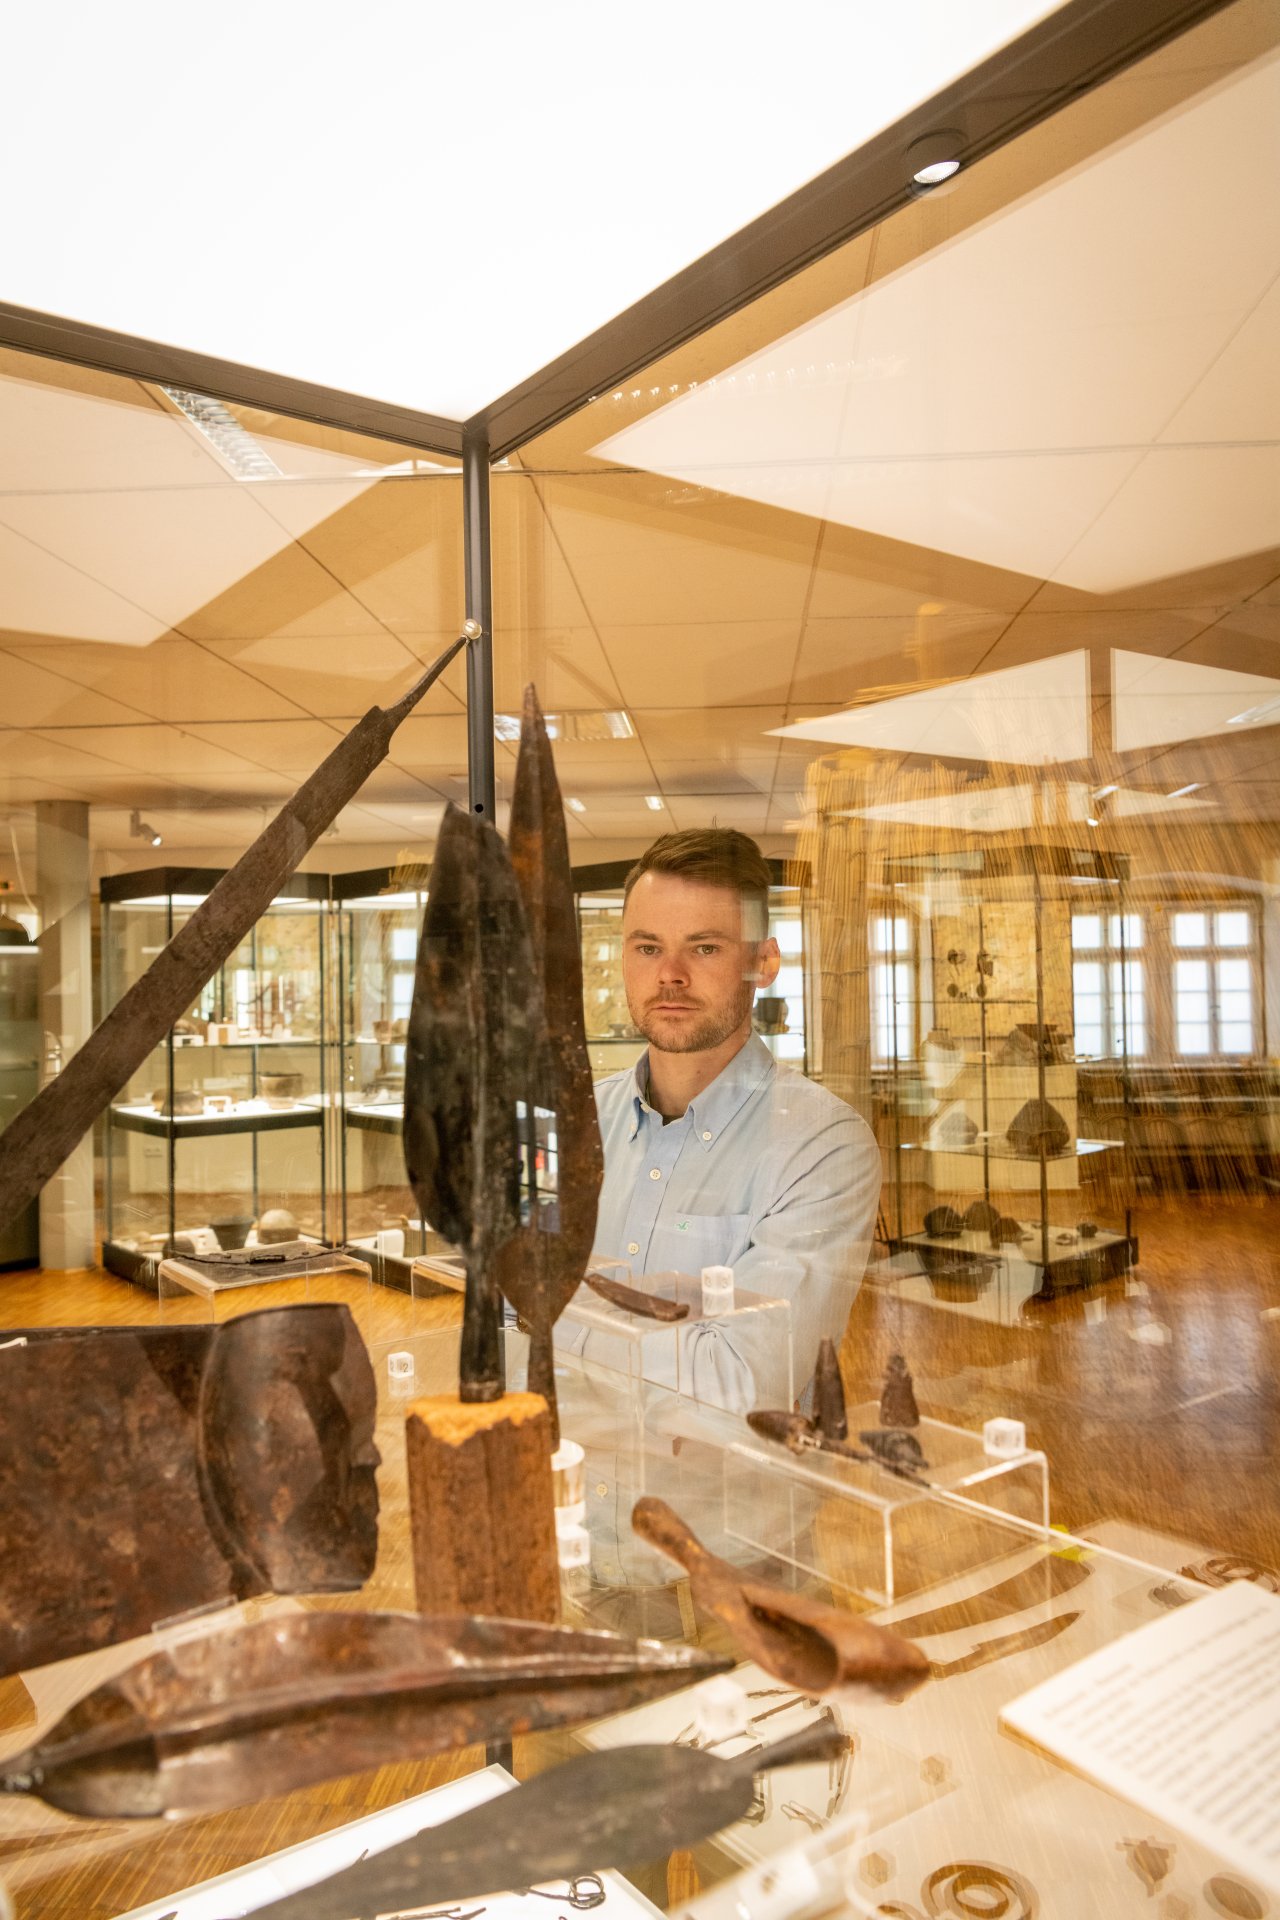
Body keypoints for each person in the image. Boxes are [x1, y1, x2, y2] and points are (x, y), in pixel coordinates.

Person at [586, 827, 881, 1411]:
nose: (670, 974)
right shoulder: (579, 1121)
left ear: (763, 963)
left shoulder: (823, 1147)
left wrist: (562, 1325)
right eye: (647, 948)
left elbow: (740, 1380)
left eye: (704, 948)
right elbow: (508, 1315)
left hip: (716, 1474)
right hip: (567, 1468)